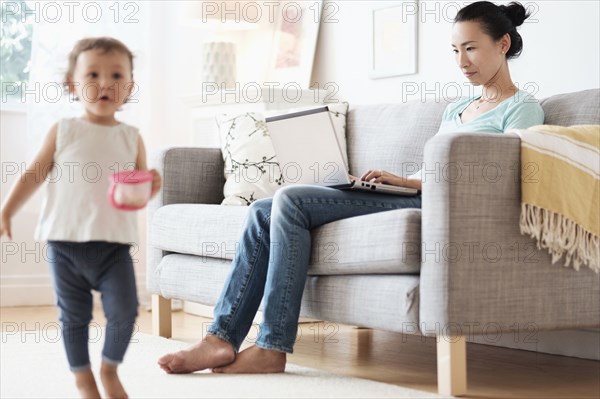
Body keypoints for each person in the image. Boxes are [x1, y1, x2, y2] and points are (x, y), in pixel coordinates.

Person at [158, 1, 544, 375]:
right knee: (263, 208)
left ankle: (272, 346)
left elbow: (497, 175)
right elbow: (437, 166)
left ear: (503, 45)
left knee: (290, 199)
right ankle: (221, 337)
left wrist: (410, 182)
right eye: (455, 50)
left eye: (471, 49)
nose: (462, 62)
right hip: (413, 192)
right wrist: (396, 179)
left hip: (438, 205)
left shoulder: (522, 109)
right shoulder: (456, 109)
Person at [0, 37, 161, 398]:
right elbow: (33, 174)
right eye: (92, 74)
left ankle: (109, 367)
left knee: (125, 311)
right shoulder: (64, 130)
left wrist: (151, 185)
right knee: (74, 316)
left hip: (113, 247)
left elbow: (136, 189)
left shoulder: (131, 138)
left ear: (130, 87)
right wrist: (6, 209)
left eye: (116, 75)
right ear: (72, 84)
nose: (105, 83)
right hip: (65, 243)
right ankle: (81, 375)